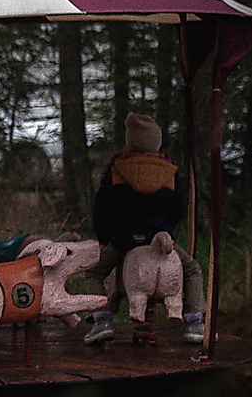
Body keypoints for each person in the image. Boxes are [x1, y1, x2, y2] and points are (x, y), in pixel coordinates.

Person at [83, 112, 205, 345]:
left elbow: (102, 209)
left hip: (123, 239)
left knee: (95, 272)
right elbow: (178, 208)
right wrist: (167, 231)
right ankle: (194, 321)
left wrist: (105, 238)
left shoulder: (117, 169)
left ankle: (101, 321)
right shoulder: (169, 172)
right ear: (156, 141)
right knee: (192, 270)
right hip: (158, 238)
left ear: (131, 141)